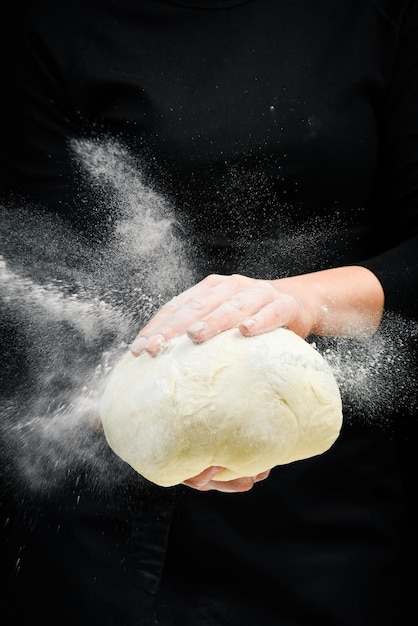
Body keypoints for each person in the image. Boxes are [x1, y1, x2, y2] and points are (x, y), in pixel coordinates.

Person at [1, 0, 417, 624]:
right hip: (100, 533)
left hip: (327, 523)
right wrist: (156, 405)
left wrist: (304, 300)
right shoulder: (47, 25)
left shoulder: (376, 20)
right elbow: (37, 265)